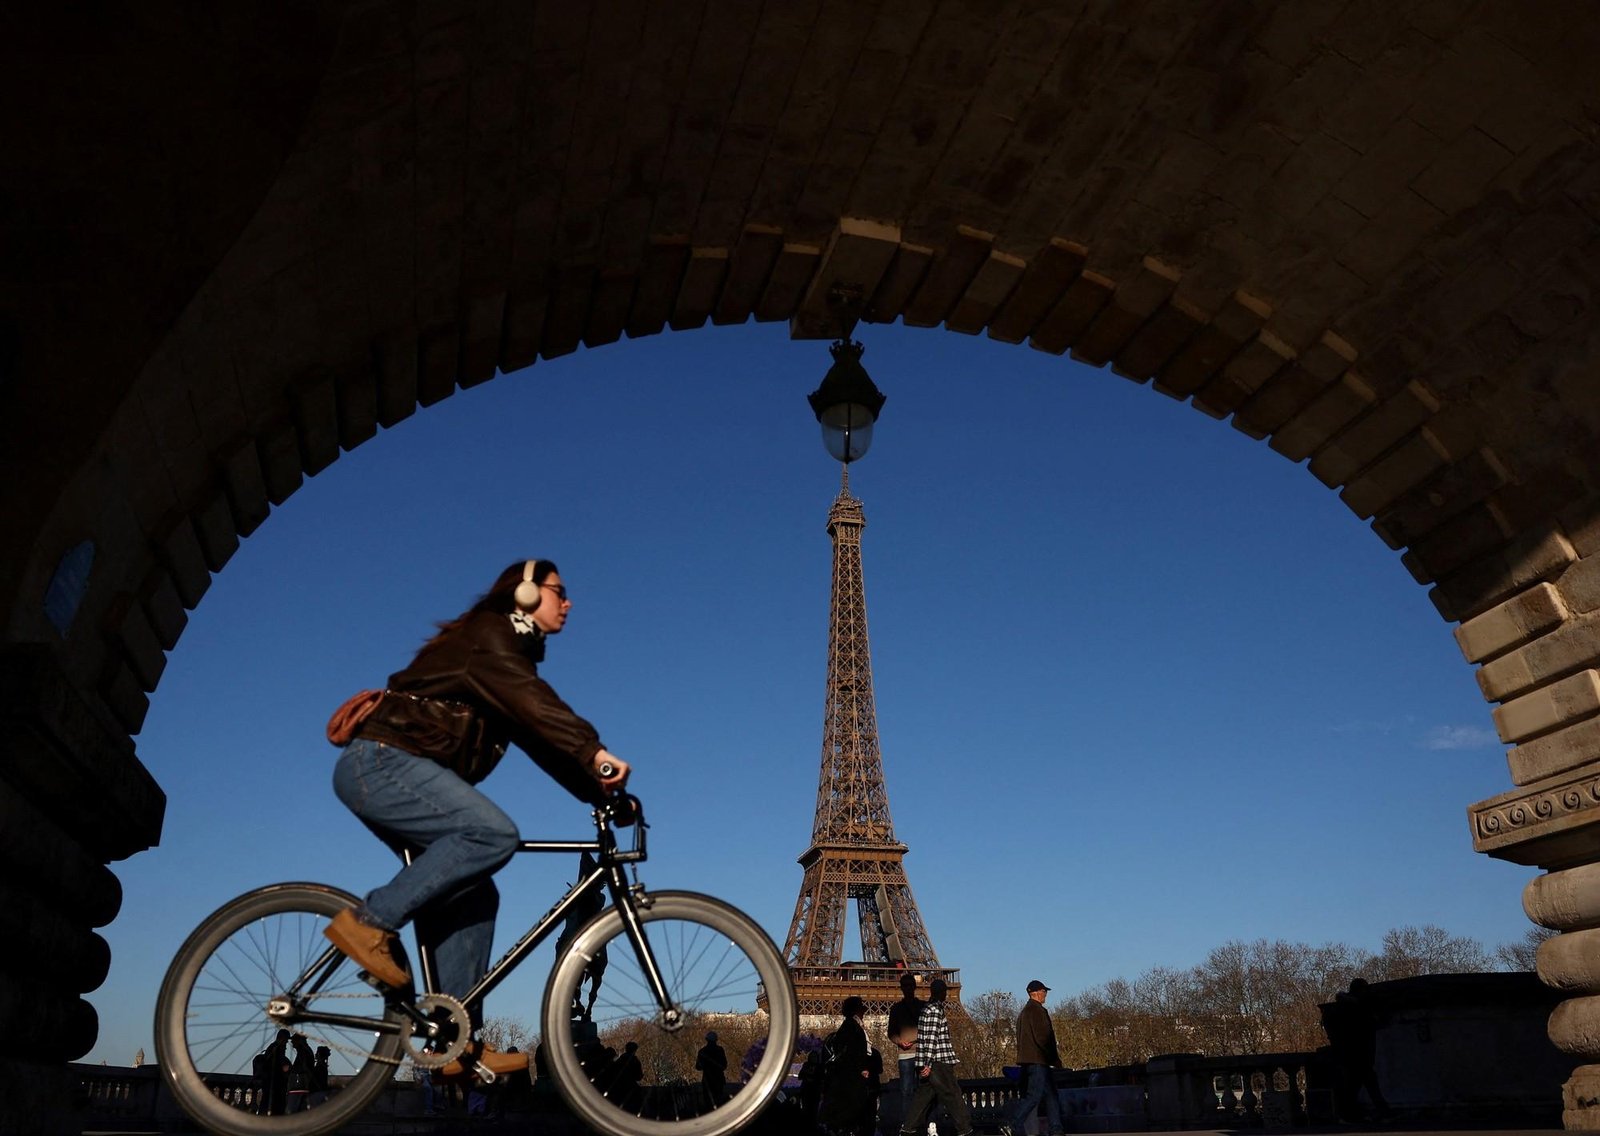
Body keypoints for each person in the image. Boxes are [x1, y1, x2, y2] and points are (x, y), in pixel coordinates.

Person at [325, 559, 630, 1081]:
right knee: (491, 833)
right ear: (526, 592)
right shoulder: (491, 637)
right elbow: (538, 707)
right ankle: (368, 922)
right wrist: (595, 752)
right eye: (559, 591)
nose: (568, 602)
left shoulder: (505, 664)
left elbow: (540, 740)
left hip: (394, 769)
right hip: (381, 763)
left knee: (476, 892)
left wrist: (598, 791)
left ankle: (455, 1040)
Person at [899, 978, 972, 1136]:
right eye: (944, 992)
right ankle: (965, 1130)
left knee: (923, 1097)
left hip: (932, 1060)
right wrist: (928, 1063)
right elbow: (931, 1038)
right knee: (952, 1095)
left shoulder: (927, 1008)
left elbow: (925, 1037)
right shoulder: (935, 1009)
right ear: (942, 993)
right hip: (938, 1061)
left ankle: (907, 1129)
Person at [1322, 977, 1391, 1123]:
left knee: (1355, 1085)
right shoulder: (1357, 1008)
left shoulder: (1343, 1008)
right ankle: (1382, 1112)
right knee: (1366, 1083)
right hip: (1358, 1052)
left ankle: (1350, 1114)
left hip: (1350, 1053)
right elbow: (1367, 1027)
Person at [1002, 980, 1062, 1136]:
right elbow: (1043, 1038)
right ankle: (1012, 1124)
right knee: (1034, 1096)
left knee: (1050, 1095)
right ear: (1036, 993)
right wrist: (1054, 1058)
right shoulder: (1038, 1011)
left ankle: (1056, 1128)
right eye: (1044, 991)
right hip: (1039, 1060)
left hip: (1029, 1061)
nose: (1045, 994)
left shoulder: (1024, 1013)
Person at [821, 996, 877, 1136]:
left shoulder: (847, 1026)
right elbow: (856, 1051)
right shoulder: (854, 1027)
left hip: (847, 1074)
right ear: (856, 1010)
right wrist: (862, 1068)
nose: (864, 1011)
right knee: (853, 1108)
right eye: (861, 1009)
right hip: (852, 1075)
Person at [887, 973, 924, 1125]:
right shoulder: (897, 1009)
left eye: (910, 985)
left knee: (922, 1091)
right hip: (905, 1054)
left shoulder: (922, 1006)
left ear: (914, 987)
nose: (908, 988)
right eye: (905, 986)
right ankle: (908, 1124)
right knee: (906, 1091)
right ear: (902, 988)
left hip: (921, 1054)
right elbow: (891, 1032)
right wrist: (900, 1042)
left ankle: (920, 1121)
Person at [696, 1030, 729, 1106]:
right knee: (718, 1103)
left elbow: (698, 1067)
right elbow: (724, 1065)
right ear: (716, 1040)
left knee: (708, 1103)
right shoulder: (720, 1050)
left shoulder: (702, 1051)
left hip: (707, 1081)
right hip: (719, 1080)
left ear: (707, 1040)